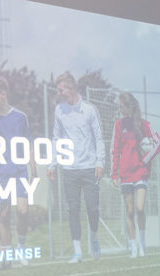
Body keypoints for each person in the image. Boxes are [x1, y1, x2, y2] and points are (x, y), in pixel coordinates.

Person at [0, 77, 36, 268]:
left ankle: (21, 247)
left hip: (19, 172)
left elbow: (28, 144)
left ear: (3, 93)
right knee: (4, 215)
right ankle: (7, 254)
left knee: (23, 210)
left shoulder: (20, 117)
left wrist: (33, 170)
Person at [47, 72, 105, 263]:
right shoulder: (59, 110)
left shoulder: (89, 110)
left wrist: (100, 162)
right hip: (69, 169)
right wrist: (52, 163)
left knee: (92, 207)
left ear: (70, 88)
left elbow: (98, 137)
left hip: (89, 167)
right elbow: (56, 138)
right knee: (73, 209)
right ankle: (78, 252)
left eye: (61, 89)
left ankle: (94, 237)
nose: (59, 92)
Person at [111, 92, 160, 258]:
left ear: (130, 106)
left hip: (141, 174)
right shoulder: (119, 125)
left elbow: (159, 144)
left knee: (140, 208)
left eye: (122, 106)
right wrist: (114, 174)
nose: (120, 110)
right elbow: (115, 150)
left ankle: (142, 243)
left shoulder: (144, 124)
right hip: (125, 175)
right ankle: (133, 247)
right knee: (130, 211)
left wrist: (145, 159)